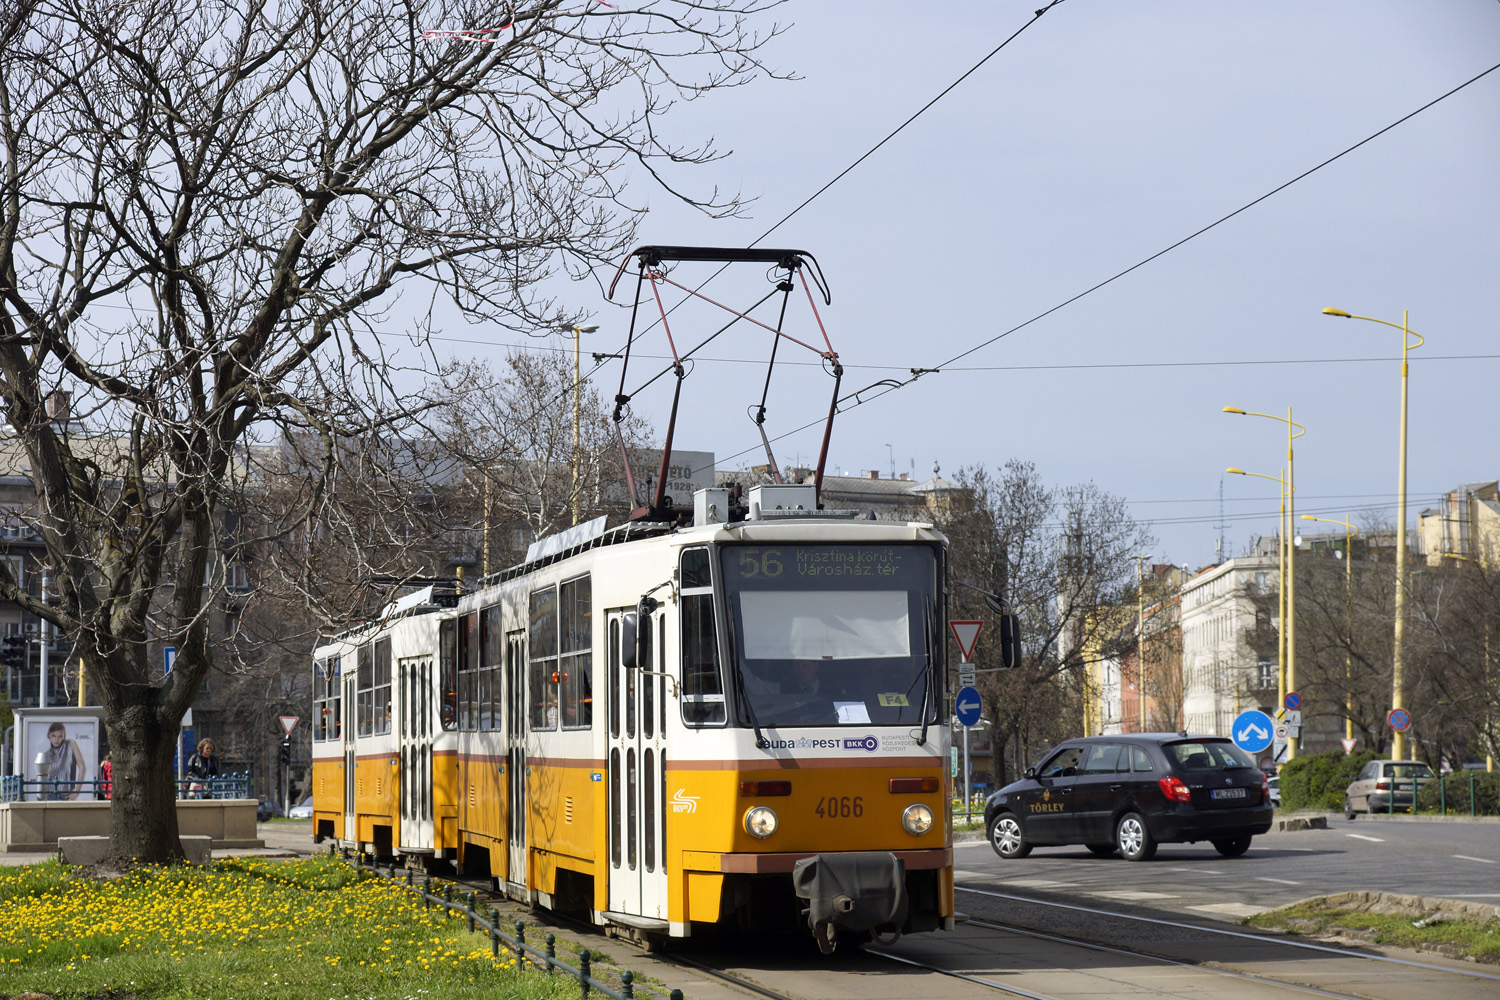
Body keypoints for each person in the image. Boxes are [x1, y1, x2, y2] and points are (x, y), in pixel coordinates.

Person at [42, 722, 87, 800]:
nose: (56, 740)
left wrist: (77, 792)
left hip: (66, 794)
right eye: (53, 736)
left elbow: (82, 767)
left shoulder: (71, 745)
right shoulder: (46, 754)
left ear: (64, 737)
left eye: (60, 736)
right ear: (49, 736)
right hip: (51, 794)